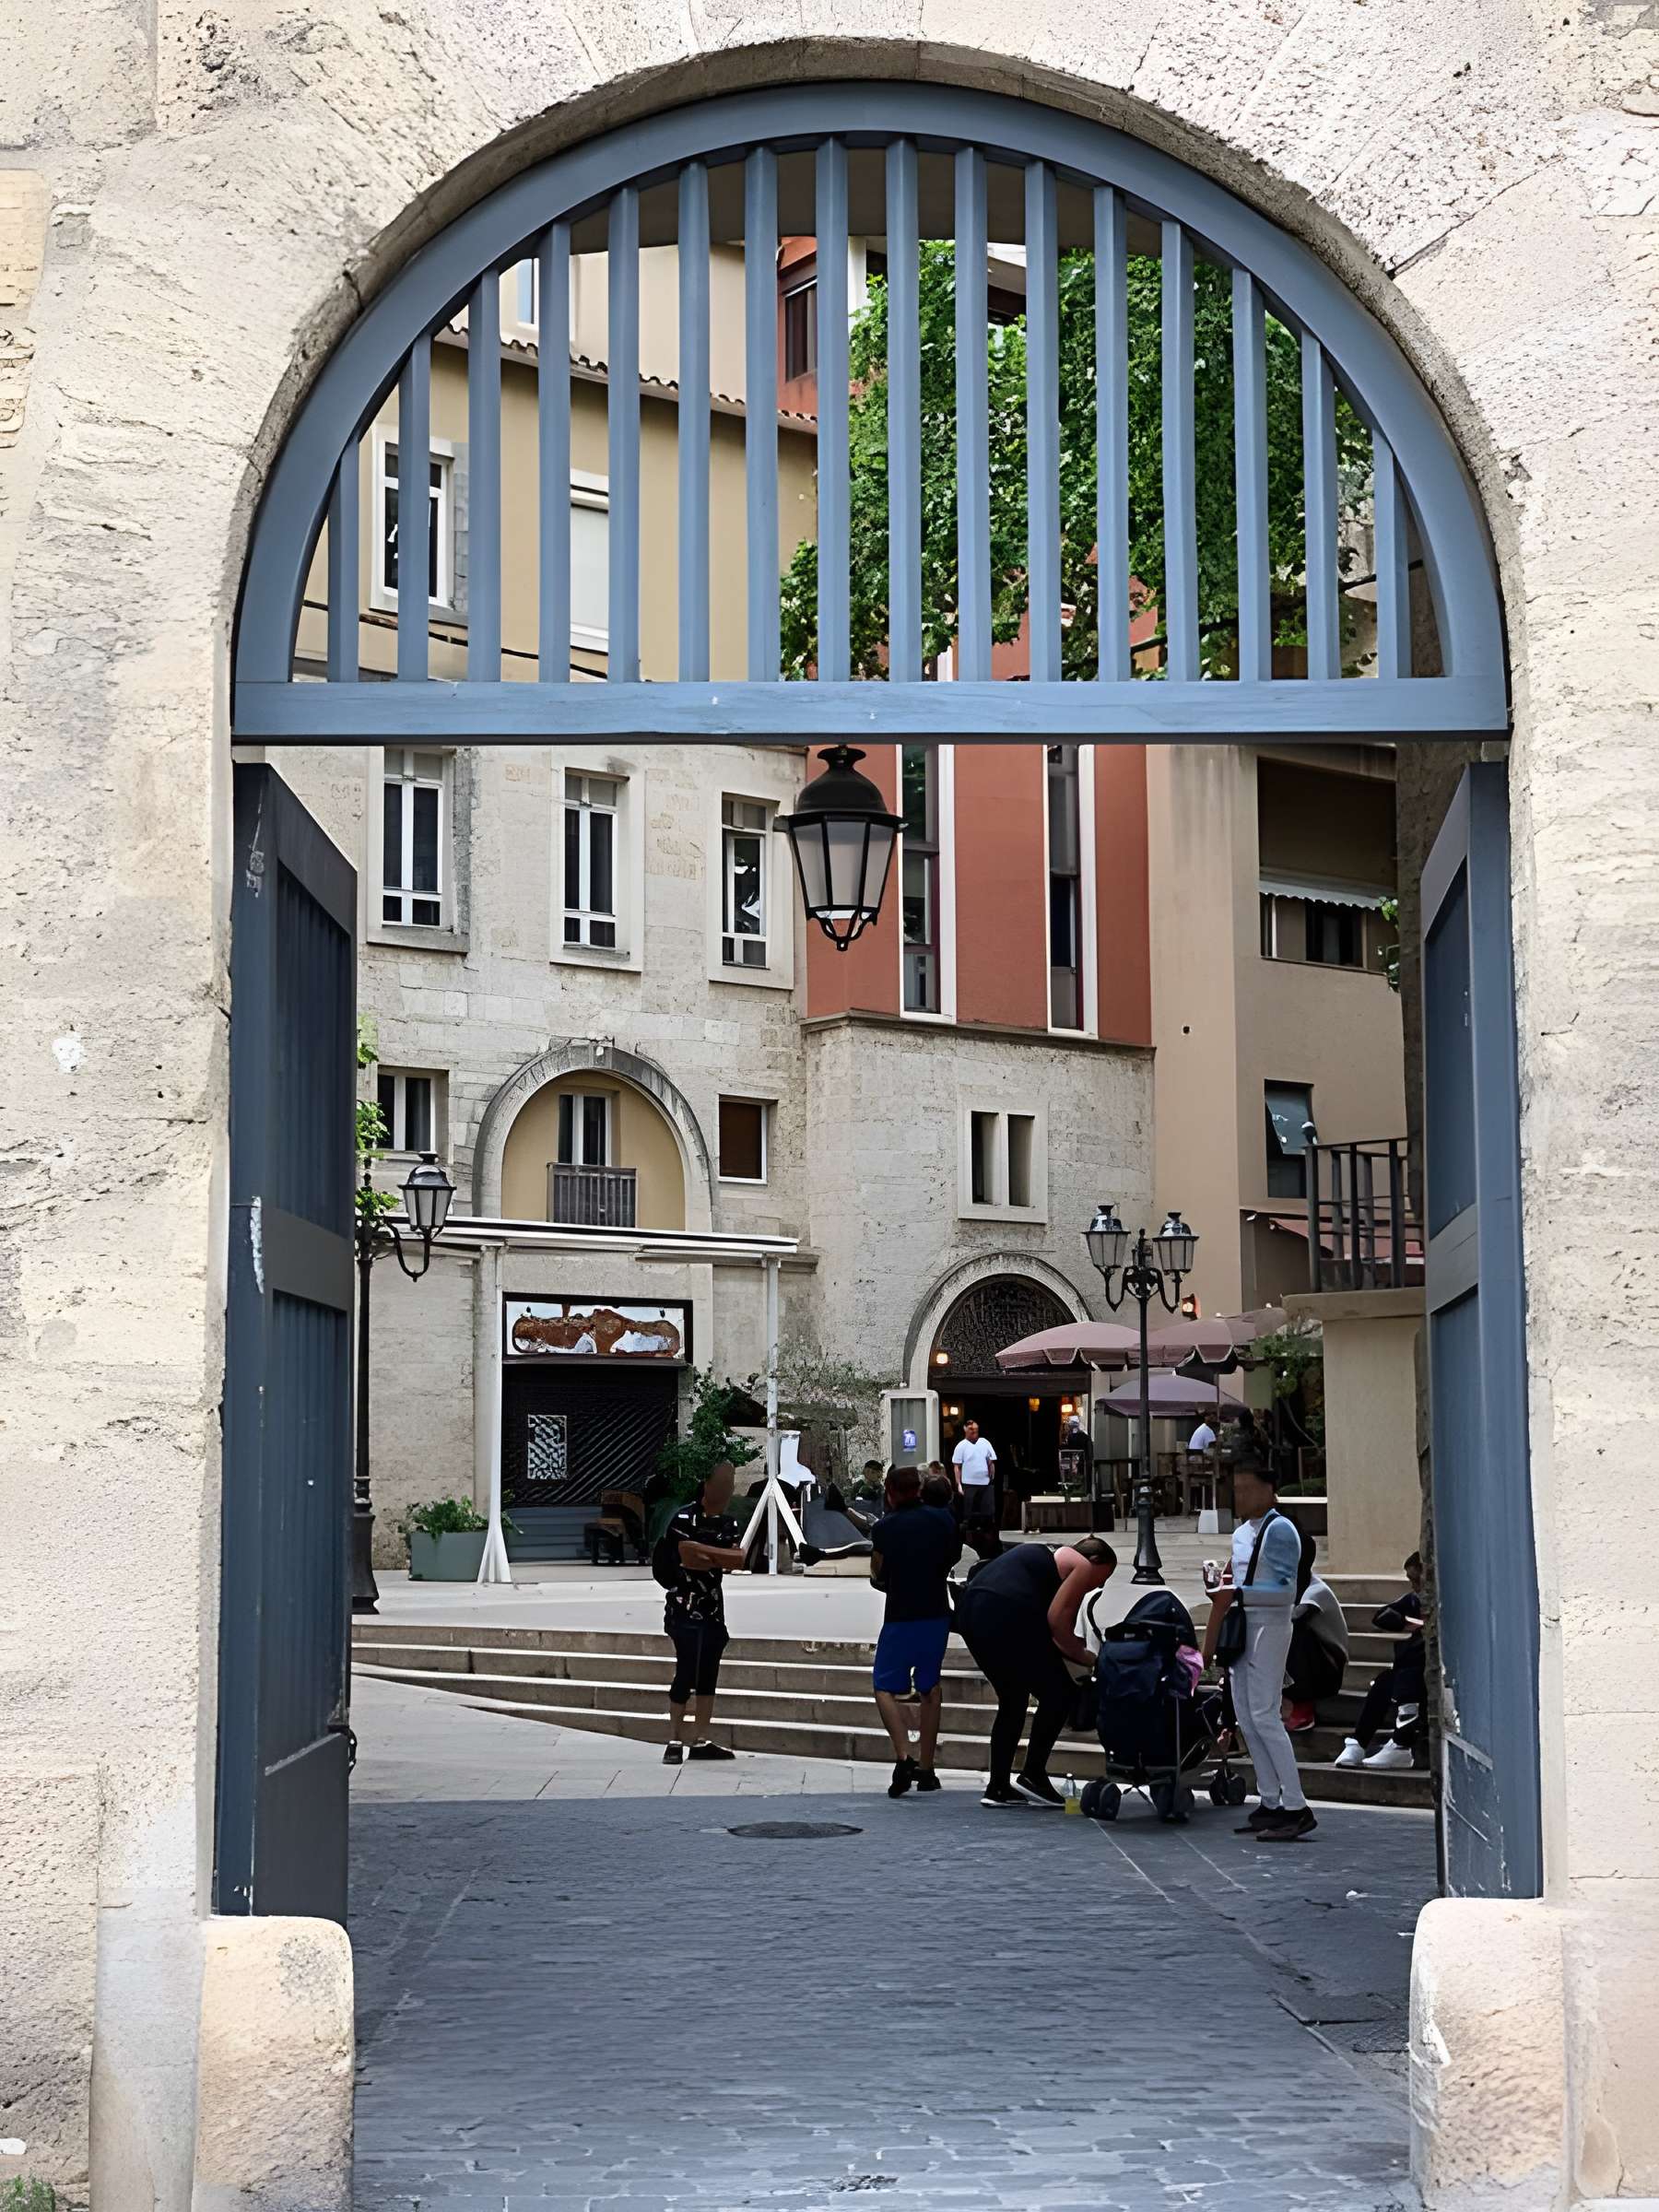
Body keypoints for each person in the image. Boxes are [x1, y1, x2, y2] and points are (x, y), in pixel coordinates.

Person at [955, 1536, 1115, 1808]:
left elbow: (1052, 1633)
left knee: (1013, 1700)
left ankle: (998, 1788)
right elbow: (1058, 1626)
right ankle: (1033, 1774)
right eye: (1105, 1576)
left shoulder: (1046, 1557)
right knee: (1060, 1695)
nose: (1100, 1584)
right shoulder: (1082, 1566)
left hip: (972, 1612)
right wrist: (1090, 1659)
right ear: (1095, 1561)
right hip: (1005, 1612)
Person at [1203, 1457, 1315, 1840]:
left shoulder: (1281, 1529)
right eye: (1236, 1489)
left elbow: (1286, 1593)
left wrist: (1235, 1594)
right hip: (1244, 1626)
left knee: (1265, 1715)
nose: (1240, 1496)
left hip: (1268, 1626)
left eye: (1247, 1488)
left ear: (1269, 1490)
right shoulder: (1241, 1533)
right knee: (1249, 1718)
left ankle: (1296, 1805)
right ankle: (1270, 1800)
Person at [869, 1465, 962, 1796]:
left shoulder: (884, 1528)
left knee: (883, 1685)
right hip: (936, 1613)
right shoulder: (943, 1519)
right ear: (919, 1490)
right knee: (930, 1689)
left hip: (900, 1615)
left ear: (891, 1493)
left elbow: (878, 1575)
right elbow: (953, 1556)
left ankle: (902, 1754)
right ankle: (927, 1767)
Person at [654, 1460, 747, 1766]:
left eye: (730, 1483)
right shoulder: (683, 1516)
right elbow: (686, 1555)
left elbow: (737, 1559)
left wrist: (708, 1555)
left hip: (713, 1610)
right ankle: (674, 1739)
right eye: (722, 1482)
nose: (727, 1489)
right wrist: (713, 1556)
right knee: (686, 1671)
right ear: (706, 1484)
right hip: (684, 1607)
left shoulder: (729, 1522)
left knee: (708, 1674)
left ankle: (699, 1739)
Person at [1334, 1552, 1427, 1770]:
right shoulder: (1415, 1600)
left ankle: (1402, 1743)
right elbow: (1383, 1616)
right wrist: (1410, 1622)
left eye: (1416, 1580)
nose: (1413, 1586)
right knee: (1384, 1682)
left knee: (1407, 1675)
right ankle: (1358, 1742)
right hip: (1409, 1667)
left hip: (1420, 1671)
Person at [1283, 1527, 1348, 1734]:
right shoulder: (1289, 1586)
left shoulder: (1316, 1591)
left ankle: (1303, 1705)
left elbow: (1296, 1617)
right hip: (1311, 1667)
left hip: (1328, 1672)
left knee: (1296, 1632)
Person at [952, 1419, 998, 1540]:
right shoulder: (961, 1446)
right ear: (965, 1430)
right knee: (968, 1513)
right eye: (971, 1429)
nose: (974, 1432)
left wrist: (991, 1476)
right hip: (968, 1483)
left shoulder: (984, 1443)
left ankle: (988, 1535)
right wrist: (959, 1485)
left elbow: (991, 1461)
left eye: (975, 1429)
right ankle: (968, 1537)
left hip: (985, 1482)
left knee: (987, 1512)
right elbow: (957, 1466)